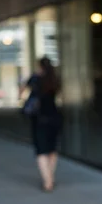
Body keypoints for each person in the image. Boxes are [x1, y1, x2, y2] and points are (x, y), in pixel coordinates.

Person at [20, 56, 62, 192]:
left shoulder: (35, 79)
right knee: (52, 148)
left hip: (39, 118)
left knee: (41, 150)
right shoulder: (54, 79)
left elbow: (22, 90)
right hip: (54, 116)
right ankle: (51, 176)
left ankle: (47, 181)